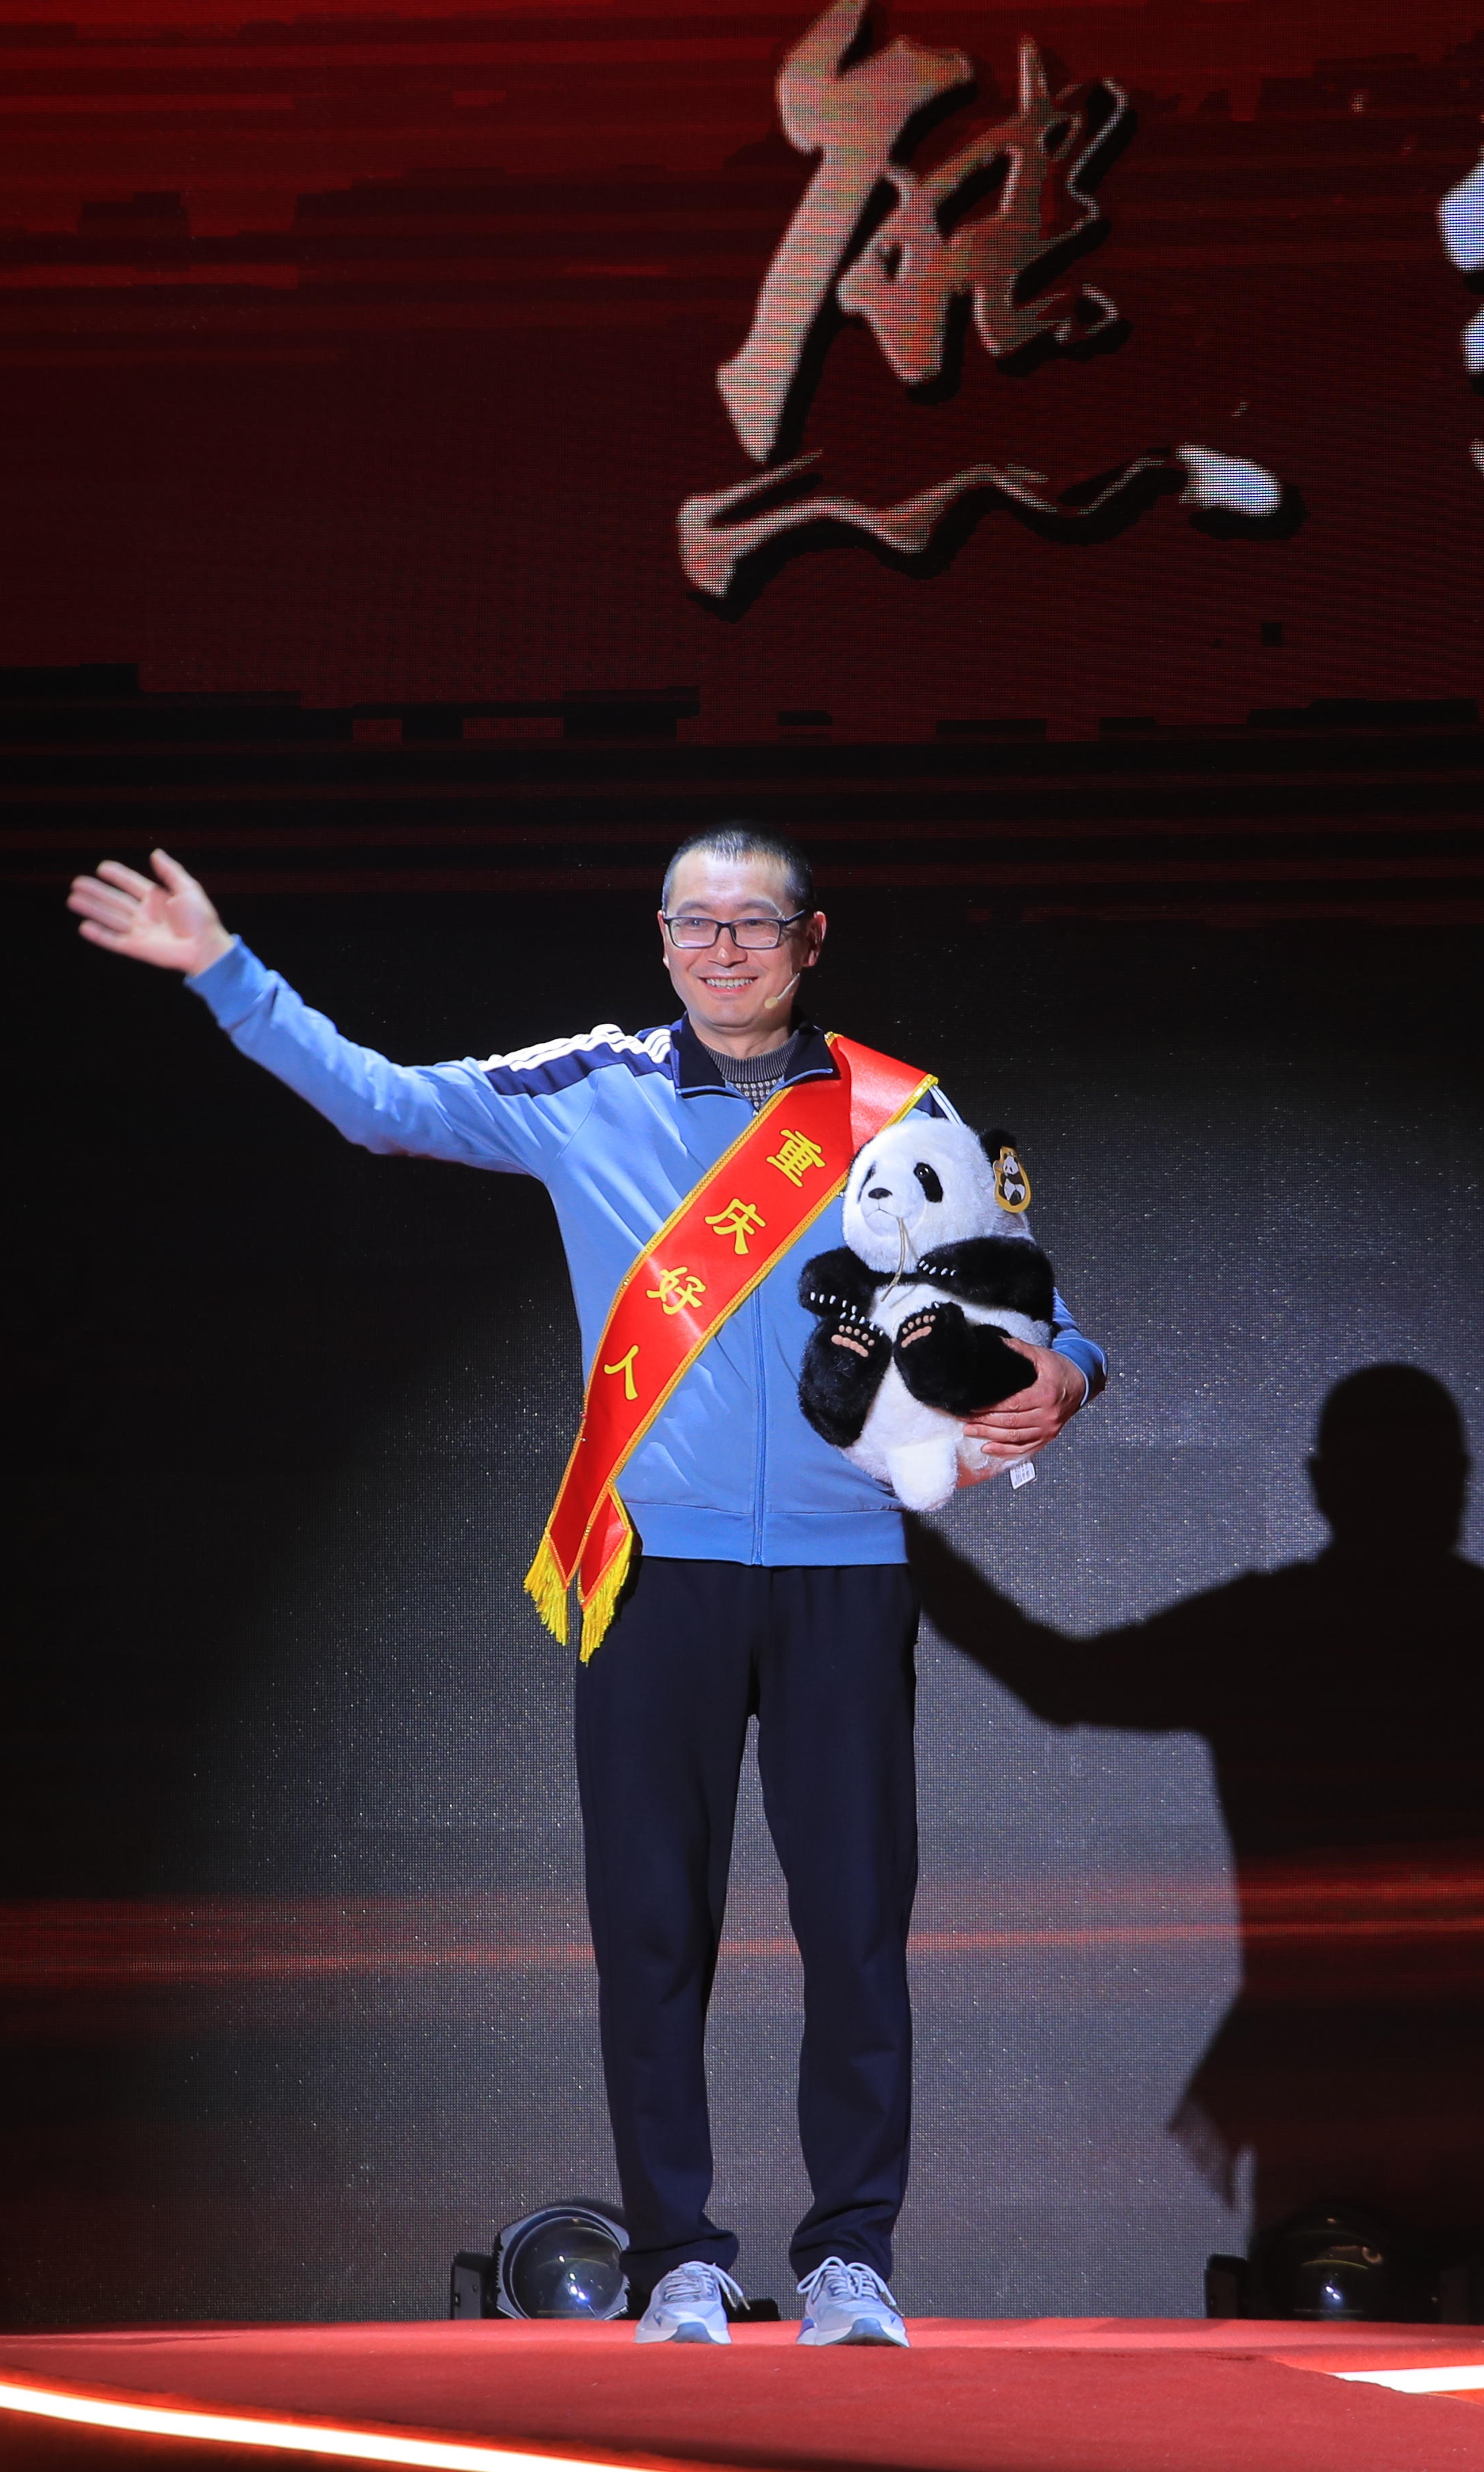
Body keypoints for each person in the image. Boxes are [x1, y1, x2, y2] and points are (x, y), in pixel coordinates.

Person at [67, 828, 1106, 2348]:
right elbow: (379, 1105)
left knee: (856, 1928)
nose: (725, 949)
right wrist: (226, 973)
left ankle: (852, 2259)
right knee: (653, 1931)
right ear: (661, 938)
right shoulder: (585, 1088)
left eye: (757, 925)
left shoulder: (897, 1106)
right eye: (698, 924)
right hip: (653, 1575)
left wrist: (1067, 1373)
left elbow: (1035, 1298)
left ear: (812, 940)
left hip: (846, 1572)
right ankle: (679, 2257)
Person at [903, 1366, 1484, 2328]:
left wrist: (890, 1527)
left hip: (1322, 2096)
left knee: (1319, 2381)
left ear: (1323, 1484)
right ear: (1457, 1484)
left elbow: (1055, 1677)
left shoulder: (1269, 1633)